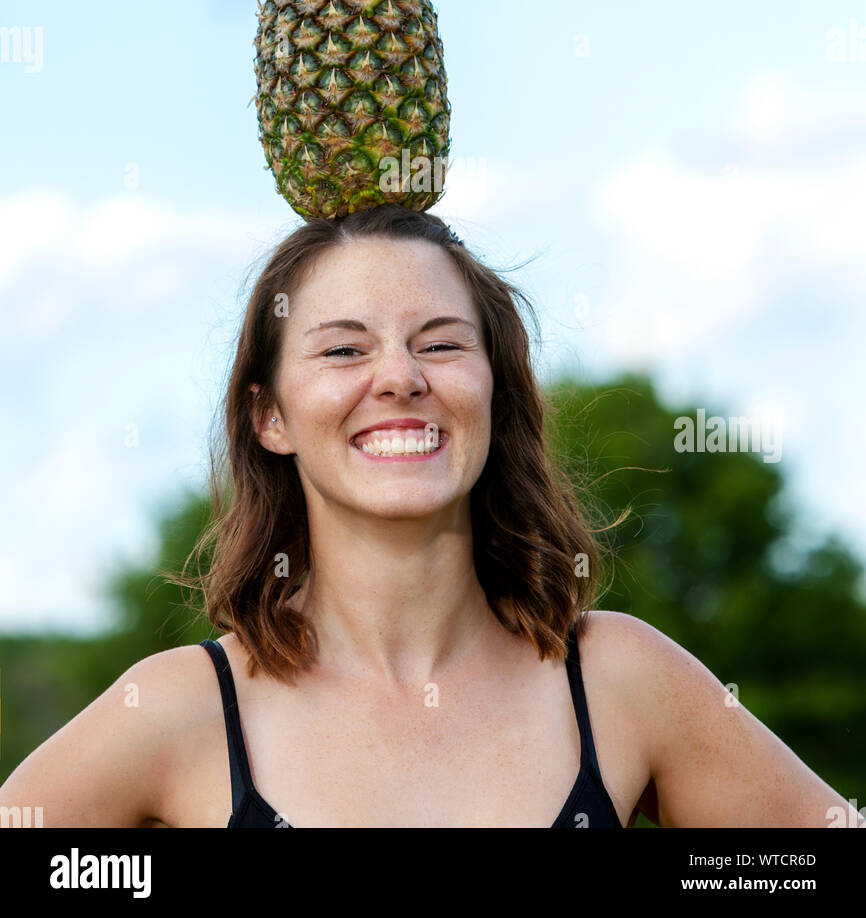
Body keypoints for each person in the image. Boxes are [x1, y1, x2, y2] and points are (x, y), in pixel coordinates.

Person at [0, 205, 859, 828]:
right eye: (344, 349)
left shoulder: (617, 681)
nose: (401, 377)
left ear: (494, 388)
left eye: (442, 342)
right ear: (271, 418)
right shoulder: (181, 709)